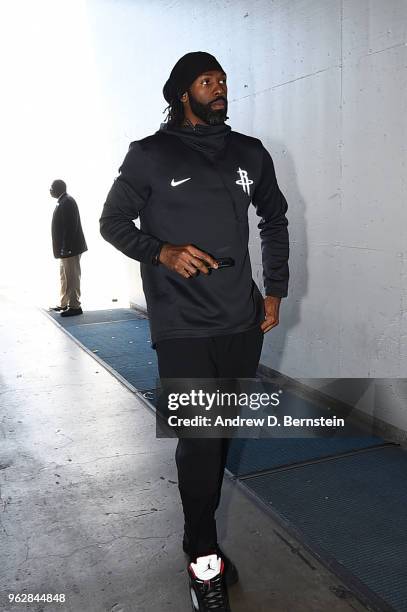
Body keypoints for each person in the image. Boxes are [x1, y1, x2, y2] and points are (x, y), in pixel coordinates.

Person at [99, 51, 289, 612]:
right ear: (184, 92)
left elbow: (274, 218)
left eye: (224, 80)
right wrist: (161, 251)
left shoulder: (248, 152)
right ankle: (203, 558)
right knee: (200, 444)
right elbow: (112, 222)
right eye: (208, 81)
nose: (220, 88)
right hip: (181, 324)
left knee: (219, 436)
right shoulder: (150, 156)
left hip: (242, 320)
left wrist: (274, 290)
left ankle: (197, 535)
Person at [49, 179, 87, 317]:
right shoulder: (63, 201)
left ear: (58, 188)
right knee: (64, 276)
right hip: (65, 249)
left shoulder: (67, 202)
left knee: (72, 277)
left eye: (52, 188)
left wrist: (67, 248)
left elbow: (71, 227)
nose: (50, 190)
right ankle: (64, 303)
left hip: (70, 249)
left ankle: (75, 306)